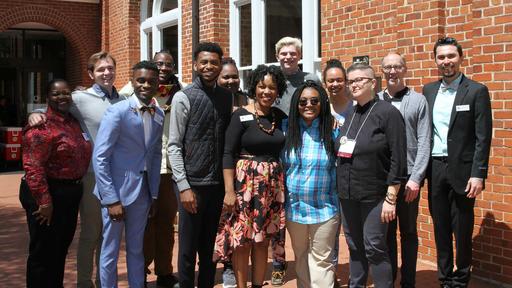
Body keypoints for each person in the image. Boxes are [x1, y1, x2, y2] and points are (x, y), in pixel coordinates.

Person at [28, 51, 125, 288]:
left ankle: (105, 282)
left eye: (110, 68)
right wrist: (34, 114)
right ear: (91, 73)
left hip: (118, 177)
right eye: (101, 69)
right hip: (92, 177)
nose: (106, 73)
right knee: (91, 233)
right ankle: (84, 282)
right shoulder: (80, 99)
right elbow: (54, 105)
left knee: (110, 236)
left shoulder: (122, 101)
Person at [423, 37, 492, 288]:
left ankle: (461, 278)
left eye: (451, 56)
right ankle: (444, 278)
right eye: (441, 57)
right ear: (435, 60)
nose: (446, 61)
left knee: (462, 228)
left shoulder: (476, 91)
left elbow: (483, 137)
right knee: (440, 225)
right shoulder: (428, 90)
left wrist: (478, 173)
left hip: (464, 171)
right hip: (435, 167)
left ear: (460, 58)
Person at [213, 64, 287, 288]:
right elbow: (227, 153)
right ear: (254, 87)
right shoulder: (241, 116)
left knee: (262, 239)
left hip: (272, 186)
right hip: (245, 185)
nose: (266, 92)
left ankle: (257, 285)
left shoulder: (280, 116)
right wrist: (228, 190)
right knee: (243, 241)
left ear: (278, 90)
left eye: (272, 88)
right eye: (262, 86)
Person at [167, 42, 232, 288]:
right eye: (203, 62)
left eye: (213, 62)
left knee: (209, 248)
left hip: (216, 184)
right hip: (191, 184)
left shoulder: (226, 97)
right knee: (187, 247)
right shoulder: (183, 97)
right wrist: (183, 186)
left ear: (220, 65)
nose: (208, 66)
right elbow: (174, 145)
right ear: (195, 65)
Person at [93, 60, 163, 288]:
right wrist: (110, 198)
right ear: (132, 81)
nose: (145, 85)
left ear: (157, 83)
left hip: (143, 193)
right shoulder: (117, 111)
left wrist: (153, 194)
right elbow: (100, 157)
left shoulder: (159, 113)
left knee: (136, 249)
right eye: (141, 80)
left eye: (151, 81)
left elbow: (154, 157)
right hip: (116, 192)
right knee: (110, 250)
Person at [336, 63, 407, 288]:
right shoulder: (352, 112)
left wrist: (391, 197)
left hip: (375, 195)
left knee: (374, 246)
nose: (354, 84)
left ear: (373, 83)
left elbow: (399, 157)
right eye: (351, 81)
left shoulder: (388, 113)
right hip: (348, 193)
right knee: (355, 246)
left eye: (360, 80)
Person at [20, 79, 92, 287]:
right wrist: (44, 202)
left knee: (60, 249)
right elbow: (33, 168)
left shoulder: (72, 121)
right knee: (42, 252)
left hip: (69, 193)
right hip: (46, 194)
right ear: (47, 97)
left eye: (66, 93)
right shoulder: (41, 127)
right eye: (56, 94)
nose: (62, 97)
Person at [120, 50, 181, 288]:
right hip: (141, 167)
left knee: (166, 223)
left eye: (168, 64)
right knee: (142, 225)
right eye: (159, 64)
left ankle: (164, 272)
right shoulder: (131, 91)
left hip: (168, 167)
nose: (164, 67)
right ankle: (140, 272)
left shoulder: (180, 92)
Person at [376, 52, 431, 288]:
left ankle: (408, 281)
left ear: (405, 69)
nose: (392, 71)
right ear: (382, 71)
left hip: (408, 178)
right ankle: (388, 280)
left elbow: (424, 141)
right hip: (382, 177)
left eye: (397, 66)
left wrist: (416, 178)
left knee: (408, 232)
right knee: (385, 232)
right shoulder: (375, 100)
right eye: (388, 67)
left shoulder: (418, 101)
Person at [282, 81, 339, 288]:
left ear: (322, 103)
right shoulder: (286, 129)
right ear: (296, 104)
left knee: (322, 260)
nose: (309, 105)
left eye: (314, 101)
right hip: (295, 209)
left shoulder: (333, 130)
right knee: (301, 257)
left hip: (325, 208)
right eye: (303, 101)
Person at [322, 59, 353, 287]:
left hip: (351, 178)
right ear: (325, 83)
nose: (335, 84)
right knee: (329, 232)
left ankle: (356, 276)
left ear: (346, 82)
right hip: (326, 180)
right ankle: (329, 276)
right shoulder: (320, 108)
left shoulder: (356, 107)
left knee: (352, 232)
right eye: (331, 80)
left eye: (339, 80)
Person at [273, 36, 321, 116]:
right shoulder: (271, 80)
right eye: (284, 54)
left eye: (293, 54)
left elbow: (322, 104)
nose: (288, 57)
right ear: (277, 57)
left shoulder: (312, 79)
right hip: (276, 127)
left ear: (299, 56)